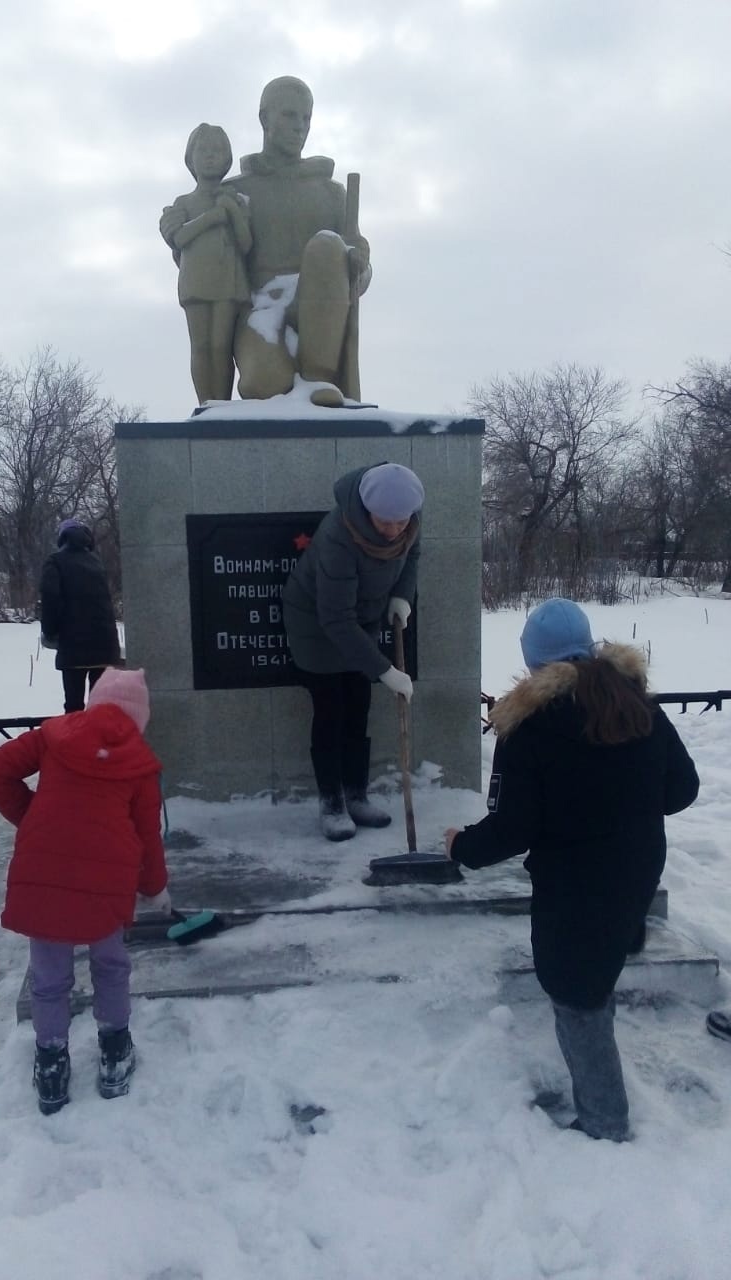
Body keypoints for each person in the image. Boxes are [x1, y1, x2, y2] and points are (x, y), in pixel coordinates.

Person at [445, 599, 699, 1142]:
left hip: (576, 885)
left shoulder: (532, 729)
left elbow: (513, 829)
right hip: (636, 865)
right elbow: (682, 789)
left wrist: (460, 846)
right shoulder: (637, 706)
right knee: (598, 964)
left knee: (575, 993)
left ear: (534, 662)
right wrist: (626, 801)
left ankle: (605, 1122)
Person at [0, 667, 171, 1115]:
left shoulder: (53, 735)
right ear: (140, 717)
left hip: (44, 871)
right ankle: (115, 1052)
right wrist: (154, 887)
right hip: (107, 880)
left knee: (48, 977)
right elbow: (147, 835)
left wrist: (31, 818)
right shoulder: (139, 763)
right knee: (109, 965)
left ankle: (50, 1063)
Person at [282, 462, 423, 841]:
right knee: (331, 710)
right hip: (316, 624)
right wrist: (385, 670)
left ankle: (356, 795)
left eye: (401, 521)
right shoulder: (338, 538)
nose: (394, 529)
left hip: (359, 621)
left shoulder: (408, 516)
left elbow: (411, 555)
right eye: (385, 521)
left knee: (358, 705)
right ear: (367, 509)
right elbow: (334, 619)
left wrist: (401, 596)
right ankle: (331, 802)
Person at [225, 76, 371, 405]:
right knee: (265, 383)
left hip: (317, 307)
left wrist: (359, 262)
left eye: (306, 118)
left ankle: (317, 378)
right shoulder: (237, 191)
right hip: (261, 307)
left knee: (327, 245)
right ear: (264, 118)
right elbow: (212, 260)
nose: (300, 127)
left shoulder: (331, 193)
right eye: (289, 116)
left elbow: (357, 273)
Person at [160, 123, 252, 404]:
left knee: (221, 346)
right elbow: (179, 238)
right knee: (200, 346)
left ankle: (221, 404)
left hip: (228, 279)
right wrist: (212, 218)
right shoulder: (184, 202)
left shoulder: (236, 200)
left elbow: (246, 243)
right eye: (204, 150)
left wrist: (233, 211)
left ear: (227, 159)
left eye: (218, 150)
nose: (211, 156)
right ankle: (205, 403)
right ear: (191, 158)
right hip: (195, 279)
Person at [39, 519, 121, 713]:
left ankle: (77, 742)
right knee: (99, 707)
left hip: (74, 646)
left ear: (62, 538)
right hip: (105, 646)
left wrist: (50, 631)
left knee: (74, 708)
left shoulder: (55, 561)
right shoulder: (96, 562)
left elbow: (51, 599)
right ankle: (97, 742)